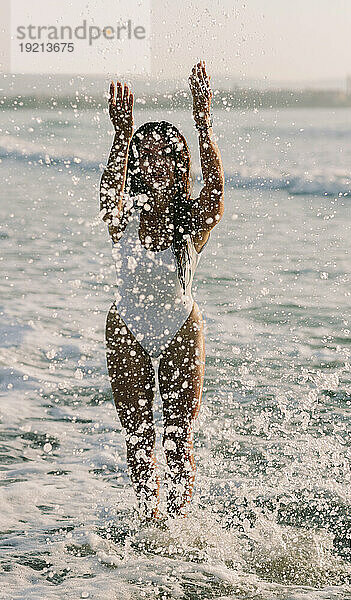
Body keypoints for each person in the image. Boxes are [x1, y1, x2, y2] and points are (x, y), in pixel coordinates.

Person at [99, 61, 224, 520]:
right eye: (145, 155)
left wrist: (203, 120)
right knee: (137, 442)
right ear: (136, 165)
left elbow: (215, 193)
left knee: (176, 442)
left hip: (179, 326)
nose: (155, 163)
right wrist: (120, 137)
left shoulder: (191, 224)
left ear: (179, 165)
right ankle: (150, 525)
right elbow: (108, 196)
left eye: (166, 156)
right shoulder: (124, 218)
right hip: (126, 326)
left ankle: (179, 527)